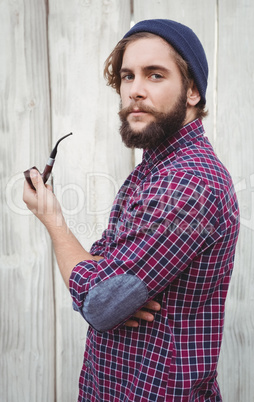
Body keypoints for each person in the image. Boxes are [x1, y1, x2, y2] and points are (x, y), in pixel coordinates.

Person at [23, 19, 240, 402]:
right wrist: (113, 290)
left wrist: (53, 219)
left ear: (192, 91)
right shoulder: (152, 171)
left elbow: (99, 300)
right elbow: (101, 270)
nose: (134, 91)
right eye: (127, 76)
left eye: (154, 75)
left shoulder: (186, 182)